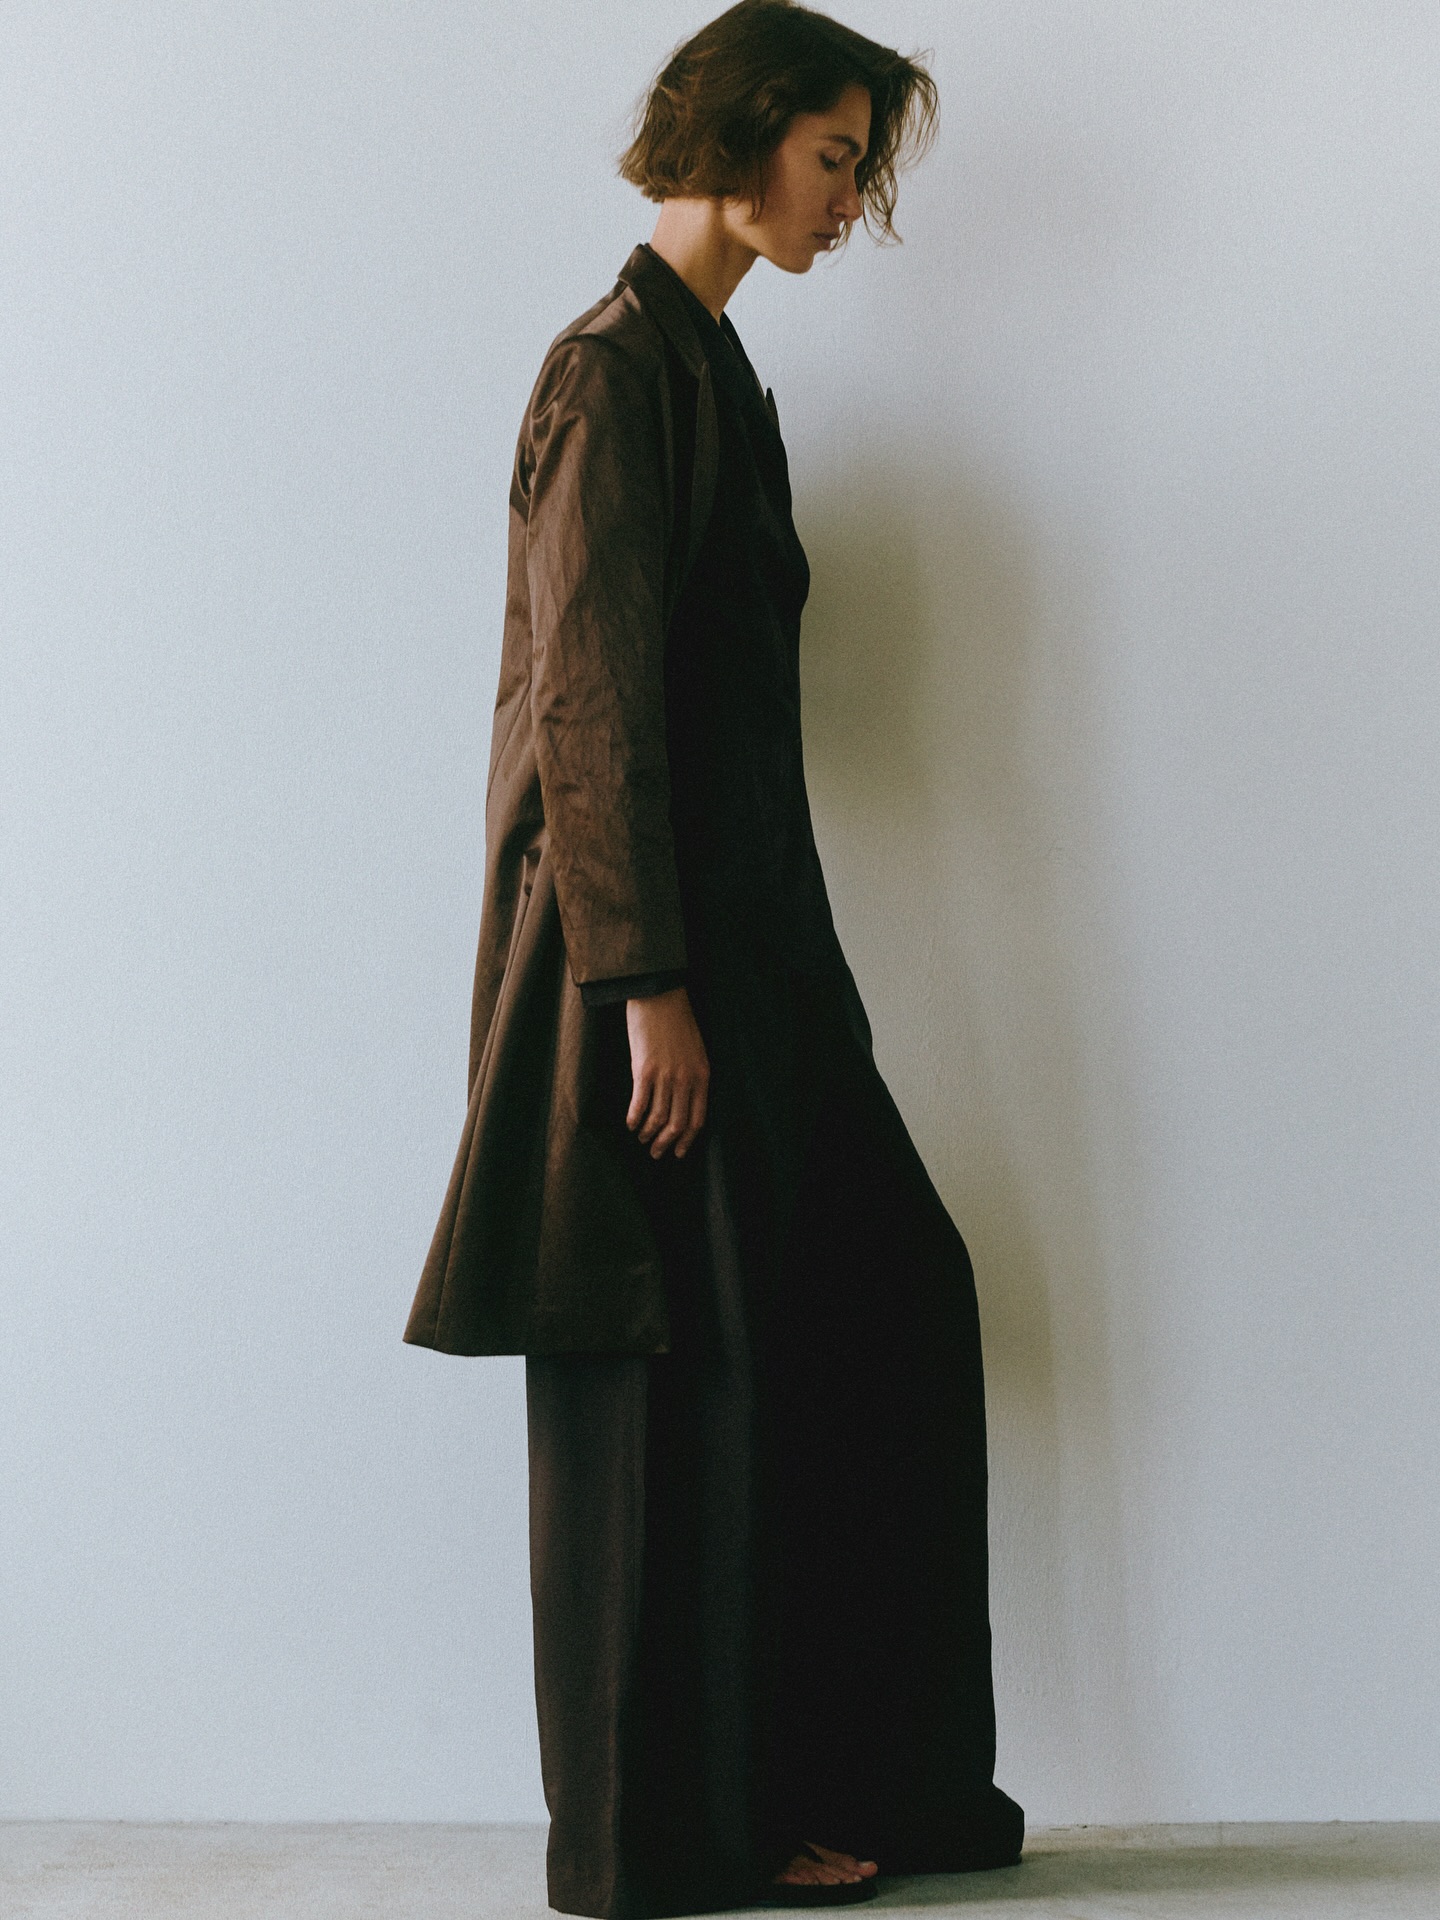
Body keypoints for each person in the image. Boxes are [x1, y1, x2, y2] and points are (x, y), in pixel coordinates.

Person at [405, 2, 1024, 1912]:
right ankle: (668, 1836)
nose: (849, 203)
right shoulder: (613, 376)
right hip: (648, 965)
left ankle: (809, 1783)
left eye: (859, 170)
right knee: (661, 1389)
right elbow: (588, 707)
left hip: (757, 956)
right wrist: (642, 987)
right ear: (745, 136)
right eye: (835, 159)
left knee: (856, 1323)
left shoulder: (711, 370)